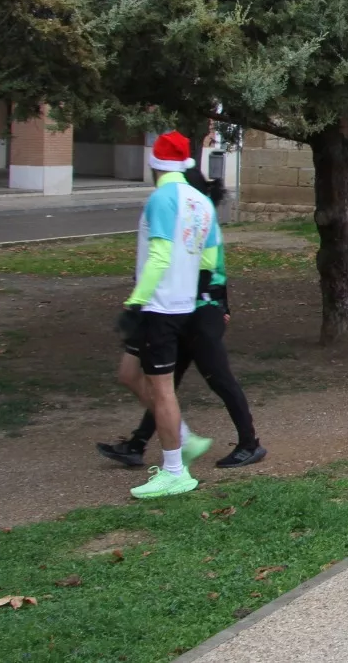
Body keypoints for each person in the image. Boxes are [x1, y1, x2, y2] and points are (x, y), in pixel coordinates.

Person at [98, 166, 264, 471]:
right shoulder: (186, 216)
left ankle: (250, 443)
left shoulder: (198, 219)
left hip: (202, 312)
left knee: (217, 376)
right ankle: (138, 445)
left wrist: (219, 307)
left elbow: (212, 270)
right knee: (163, 383)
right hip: (180, 311)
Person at [112, 132, 223, 498]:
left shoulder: (161, 198)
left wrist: (135, 302)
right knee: (129, 374)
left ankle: (176, 469)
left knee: (162, 391)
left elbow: (159, 254)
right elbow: (208, 260)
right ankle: (184, 438)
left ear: (154, 163)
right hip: (182, 305)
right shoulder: (202, 202)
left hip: (158, 307)